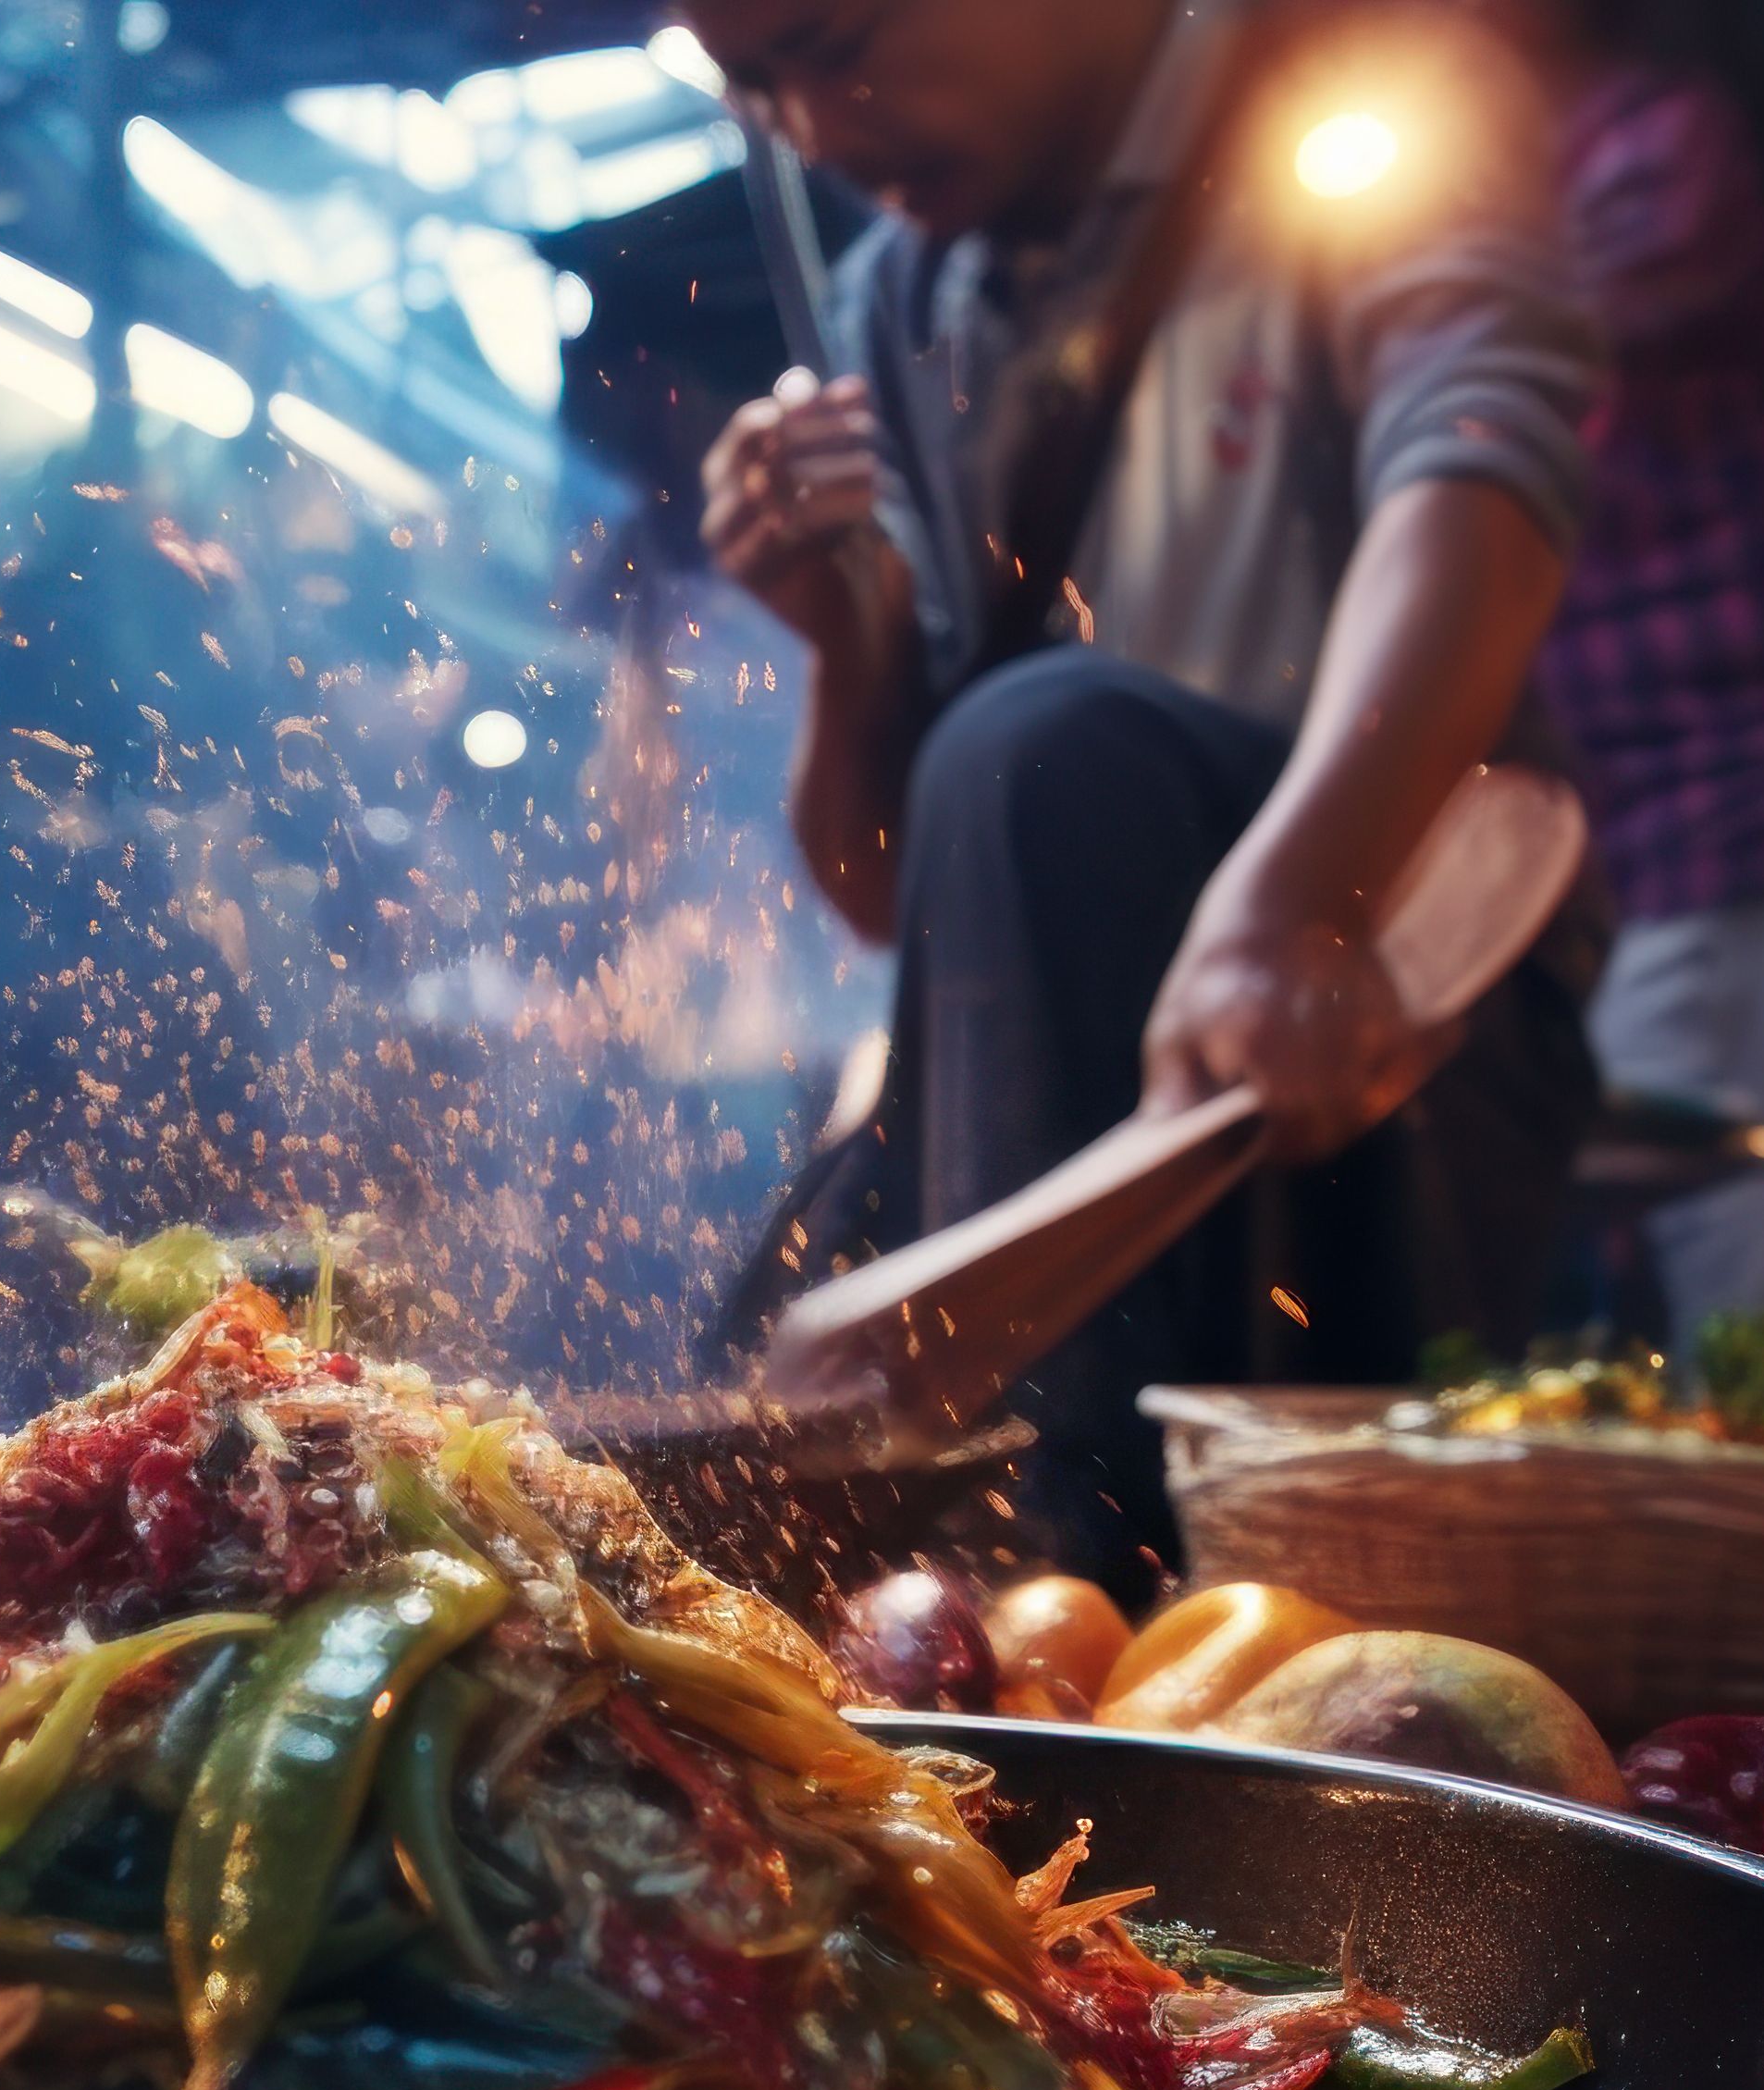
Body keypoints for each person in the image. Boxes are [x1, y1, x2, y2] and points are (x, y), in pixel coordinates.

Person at [689, 0, 1609, 1579]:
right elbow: (892, 894)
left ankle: (1064, 1596)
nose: (817, 127)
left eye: (832, 34)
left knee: (1048, 750)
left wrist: (1294, 904)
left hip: (1385, 1004)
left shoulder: (1357, 96)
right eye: (753, 84)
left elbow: (1483, 481)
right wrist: (839, 642)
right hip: (1084, 1046)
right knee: (761, 1380)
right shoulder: (898, 302)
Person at [1523, 19, 1764, 1378]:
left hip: (1739, 803)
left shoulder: (1651, 143)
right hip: (1591, 858)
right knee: (1634, 1341)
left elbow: (1532, 336)